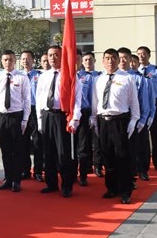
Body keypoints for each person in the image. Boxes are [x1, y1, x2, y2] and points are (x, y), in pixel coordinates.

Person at [90, 49, 140, 204]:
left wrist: (133, 121)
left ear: (118, 60)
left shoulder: (127, 78)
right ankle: (111, 188)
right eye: (107, 58)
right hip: (103, 121)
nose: (110, 61)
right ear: (103, 61)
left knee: (122, 157)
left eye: (113, 58)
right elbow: (95, 102)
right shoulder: (98, 79)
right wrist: (93, 119)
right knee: (108, 157)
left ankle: (125, 191)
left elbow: (134, 103)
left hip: (120, 121)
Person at [36, 46, 82, 198]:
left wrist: (75, 118)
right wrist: (39, 119)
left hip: (62, 116)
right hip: (47, 115)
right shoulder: (43, 76)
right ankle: (51, 183)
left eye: (56, 55)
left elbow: (77, 100)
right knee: (48, 152)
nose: (52, 58)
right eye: (50, 55)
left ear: (61, 56)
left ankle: (67, 185)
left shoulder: (69, 75)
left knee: (63, 153)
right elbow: (39, 99)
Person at [0, 50, 31, 192]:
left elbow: (27, 99)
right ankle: (7, 178)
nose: (8, 62)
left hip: (16, 116)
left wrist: (25, 119)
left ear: (15, 61)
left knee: (17, 150)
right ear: (2, 61)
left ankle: (16, 180)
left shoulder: (22, 77)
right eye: (5, 59)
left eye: (11, 60)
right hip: (2, 117)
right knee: (5, 151)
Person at [122, 51, 154, 181]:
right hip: (123, 117)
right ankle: (130, 172)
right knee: (126, 149)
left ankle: (143, 170)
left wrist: (144, 119)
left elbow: (145, 100)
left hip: (138, 117)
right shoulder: (119, 77)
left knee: (141, 147)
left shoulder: (141, 78)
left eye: (127, 59)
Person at [137, 46, 157, 172]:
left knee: (156, 136)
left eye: (144, 54)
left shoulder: (156, 70)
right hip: (141, 106)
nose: (141, 56)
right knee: (141, 138)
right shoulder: (135, 71)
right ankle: (142, 164)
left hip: (155, 104)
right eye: (139, 54)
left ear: (149, 55)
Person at [75, 52, 99, 186]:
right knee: (69, 147)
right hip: (68, 115)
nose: (76, 61)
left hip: (84, 113)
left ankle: (83, 175)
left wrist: (91, 115)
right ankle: (71, 173)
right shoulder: (65, 76)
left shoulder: (87, 78)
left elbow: (92, 97)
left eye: (78, 59)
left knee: (83, 146)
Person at [19, 51, 42, 181]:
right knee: (23, 142)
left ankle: (38, 170)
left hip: (35, 110)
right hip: (22, 111)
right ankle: (25, 170)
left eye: (28, 58)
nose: (25, 61)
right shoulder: (17, 76)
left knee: (38, 141)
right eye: (23, 59)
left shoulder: (39, 75)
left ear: (33, 60)